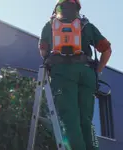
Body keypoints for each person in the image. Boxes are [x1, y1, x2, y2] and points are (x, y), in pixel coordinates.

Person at [38, 0, 112, 150]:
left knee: (69, 120)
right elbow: (107, 50)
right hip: (86, 74)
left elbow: (43, 51)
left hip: (63, 74)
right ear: (77, 8)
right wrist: (97, 71)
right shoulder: (86, 25)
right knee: (87, 121)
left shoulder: (50, 25)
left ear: (58, 8)